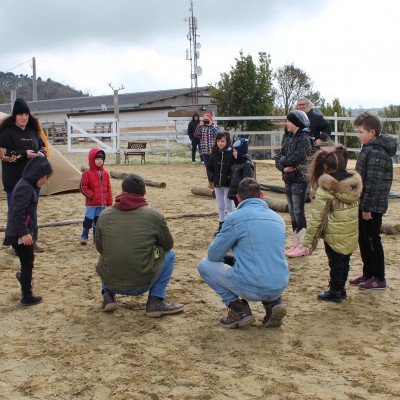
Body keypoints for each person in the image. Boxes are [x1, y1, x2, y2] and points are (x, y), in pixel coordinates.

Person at [198, 178, 289, 329]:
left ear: (238, 198)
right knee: (264, 262)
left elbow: (213, 255)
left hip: (252, 285)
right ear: (261, 195)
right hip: (279, 284)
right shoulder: (278, 218)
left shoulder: (234, 218)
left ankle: (238, 310)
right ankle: (273, 304)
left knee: (204, 265)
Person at [95, 173, 185, 316]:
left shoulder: (104, 215)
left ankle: (108, 295)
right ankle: (155, 301)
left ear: (122, 191)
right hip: (141, 283)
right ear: (144, 192)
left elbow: (99, 248)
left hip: (111, 280)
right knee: (169, 254)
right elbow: (168, 245)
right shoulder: (155, 215)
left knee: (108, 250)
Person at [302, 146, 362, 302]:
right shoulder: (354, 187)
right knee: (345, 261)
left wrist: (308, 240)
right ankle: (341, 289)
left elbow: (318, 217)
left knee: (335, 263)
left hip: (334, 235)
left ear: (324, 167)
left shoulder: (325, 191)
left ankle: (335, 291)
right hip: (350, 232)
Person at [349, 112, 397, 290]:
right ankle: (368, 273)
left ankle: (379, 277)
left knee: (372, 240)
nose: (359, 135)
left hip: (372, 206)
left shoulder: (377, 152)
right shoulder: (368, 149)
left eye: (361, 132)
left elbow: (373, 183)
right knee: (363, 239)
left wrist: (367, 207)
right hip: (364, 204)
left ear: (372, 132)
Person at [0, 98, 49, 252]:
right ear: (15, 116)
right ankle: (16, 244)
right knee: (16, 211)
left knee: (32, 211)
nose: (24, 117)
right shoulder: (7, 133)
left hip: (33, 181)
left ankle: (32, 240)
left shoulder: (33, 131)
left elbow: (43, 147)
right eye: (21, 114)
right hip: (14, 180)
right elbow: (3, 154)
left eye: (26, 114)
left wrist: (41, 153)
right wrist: (23, 154)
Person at [3, 156, 53, 306]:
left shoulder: (27, 185)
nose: (45, 182)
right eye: (44, 178)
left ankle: (23, 278)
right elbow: (18, 213)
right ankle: (27, 296)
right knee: (28, 263)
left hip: (21, 232)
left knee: (26, 261)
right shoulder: (25, 187)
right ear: (36, 174)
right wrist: (24, 233)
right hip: (19, 234)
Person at [275, 110, 312, 257]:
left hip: (299, 179)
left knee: (299, 211)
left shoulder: (303, 139)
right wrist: (284, 167)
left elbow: (296, 158)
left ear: (296, 122)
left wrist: (285, 162)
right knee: (292, 212)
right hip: (288, 179)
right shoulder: (289, 139)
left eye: (289, 121)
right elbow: (279, 158)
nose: (286, 124)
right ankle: (295, 243)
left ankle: (302, 244)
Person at [79, 148, 113, 245]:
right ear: (92, 160)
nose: (99, 161)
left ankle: (96, 238)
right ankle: (84, 236)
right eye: (97, 159)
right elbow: (82, 186)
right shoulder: (87, 173)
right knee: (88, 220)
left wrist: (109, 201)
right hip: (92, 203)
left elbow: (108, 188)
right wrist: (92, 195)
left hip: (102, 204)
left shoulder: (105, 173)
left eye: (101, 159)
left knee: (98, 221)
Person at [206, 131, 234, 236]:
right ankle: (221, 224)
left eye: (222, 141)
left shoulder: (231, 153)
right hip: (218, 183)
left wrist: (229, 178)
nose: (220, 143)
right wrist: (212, 179)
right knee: (220, 205)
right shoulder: (214, 153)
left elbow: (233, 168)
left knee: (228, 206)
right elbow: (209, 167)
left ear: (227, 141)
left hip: (227, 183)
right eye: (218, 141)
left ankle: (230, 226)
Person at [194, 113, 222, 185]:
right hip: (204, 151)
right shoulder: (201, 128)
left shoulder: (215, 127)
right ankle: (211, 182)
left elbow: (217, 134)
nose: (205, 121)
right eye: (204, 120)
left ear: (210, 120)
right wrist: (199, 126)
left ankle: (216, 182)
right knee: (208, 167)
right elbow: (196, 135)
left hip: (213, 151)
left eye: (207, 119)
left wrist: (211, 125)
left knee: (215, 167)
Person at [228, 138, 254, 207]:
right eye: (233, 151)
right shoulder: (236, 162)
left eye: (235, 151)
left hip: (242, 195)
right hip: (236, 194)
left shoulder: (247, 164)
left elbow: (247, 181)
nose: (233, 153)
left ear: (240, 151)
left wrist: (242, 194)